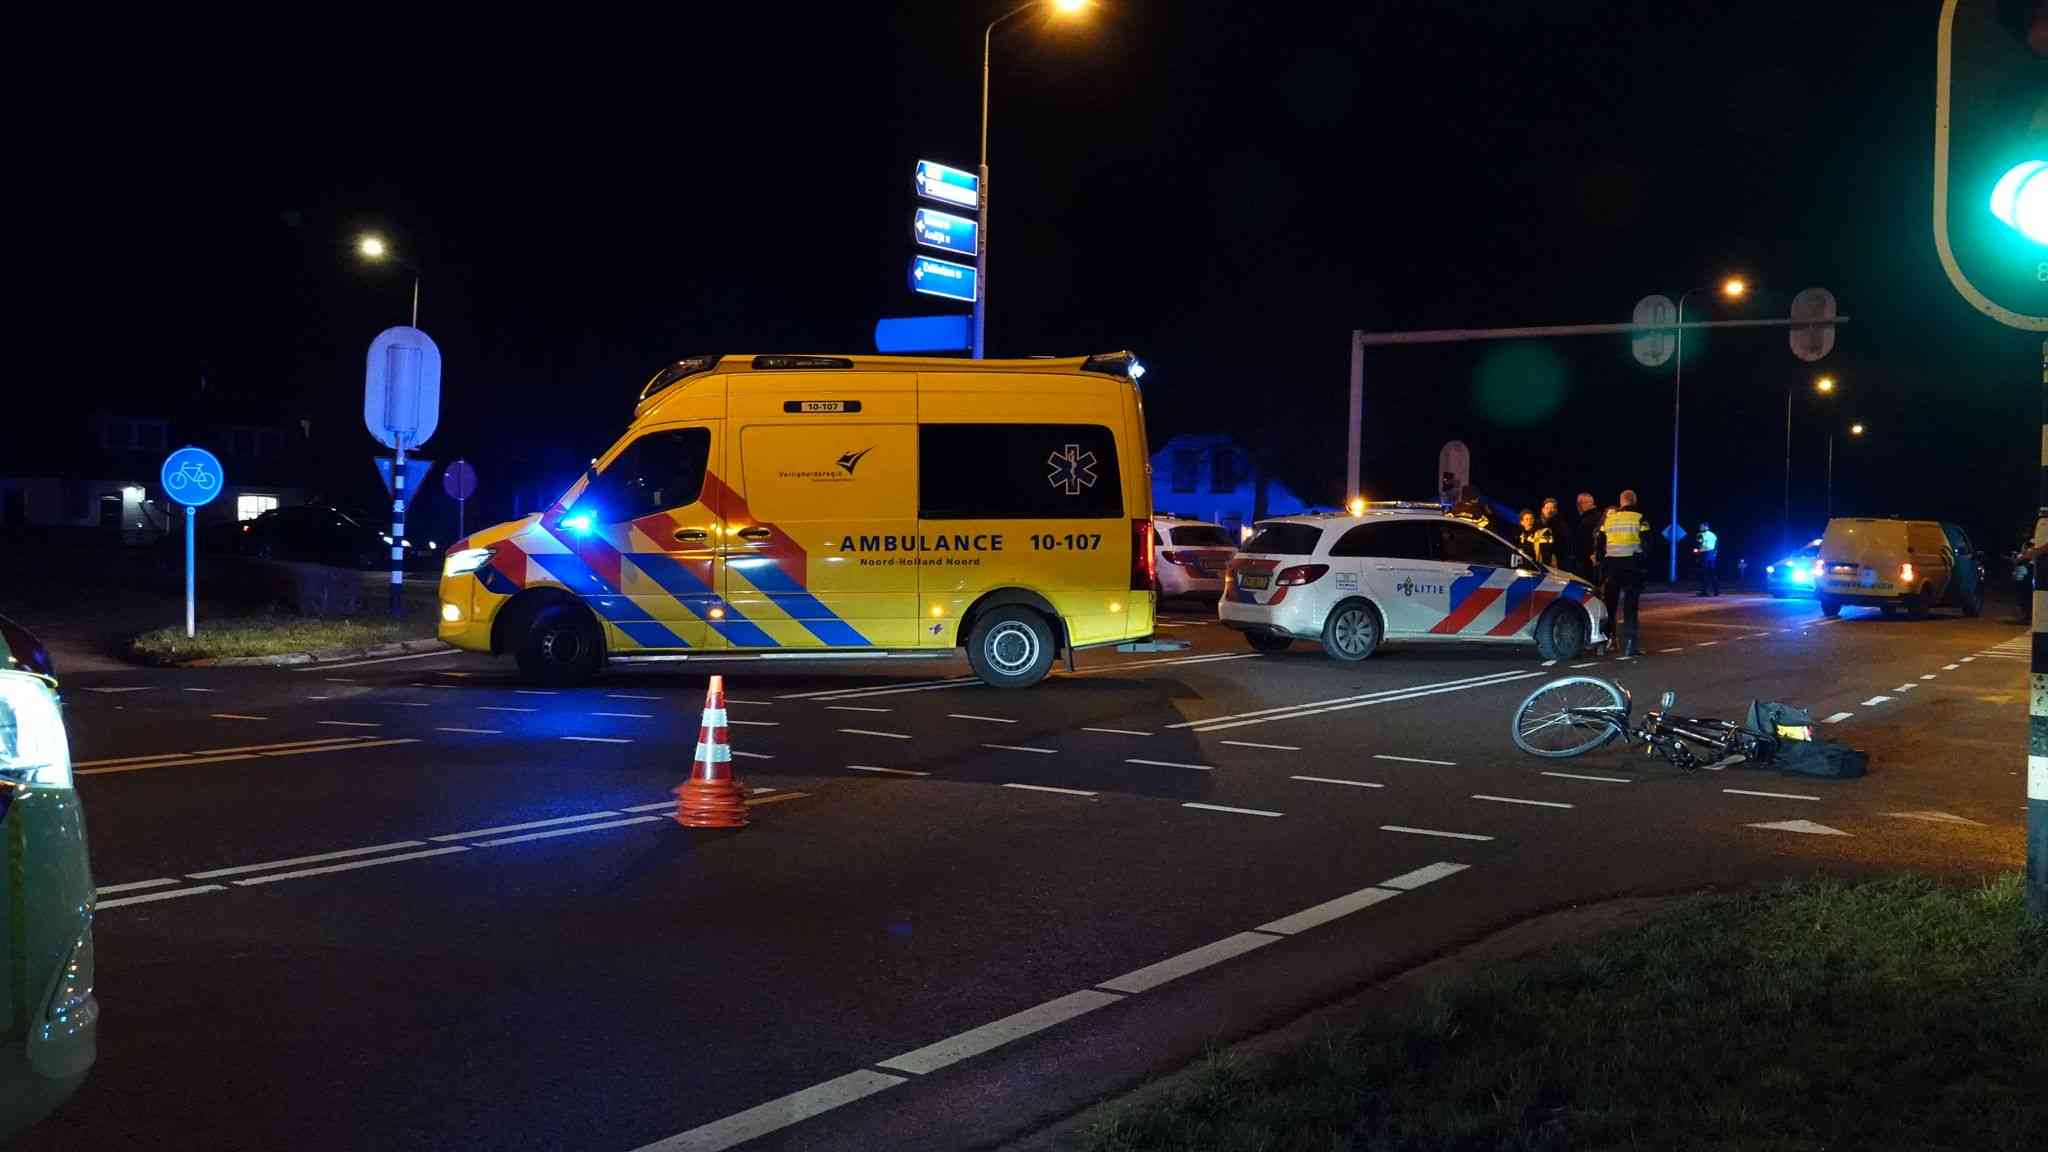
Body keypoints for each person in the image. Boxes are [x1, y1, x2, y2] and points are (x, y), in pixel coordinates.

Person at [1600, 490, 1647, 656]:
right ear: (1634, 501)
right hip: (1632, 566)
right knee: (1630, 608)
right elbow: (1647, 543)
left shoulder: (1609, 520)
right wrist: (1643, 562)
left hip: (1612, 566)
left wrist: (1602, 566)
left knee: (1609, 607)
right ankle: (1630, 646)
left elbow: (1600, 542)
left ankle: (1605, 643)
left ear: (1621, 502)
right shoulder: (1639, 517)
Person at [1573, 492, 1603, 583]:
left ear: (1586, 503)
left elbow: (1584, 543)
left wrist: (1579, 559)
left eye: (1579, 504)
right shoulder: (1601, 516)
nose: (1578, 506)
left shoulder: (1586, 521)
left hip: (1588, 562)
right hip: (1598, 559)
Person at [1537, 497, 1568, 570]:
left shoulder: (1561, 525)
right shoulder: (1536, 524)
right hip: (1539, 562)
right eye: (1547, 508)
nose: (1549, 510)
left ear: (1556, 510)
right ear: (1542, 510)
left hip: (1556, 563)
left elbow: (1564, 545)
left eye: (1552, 508)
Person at [1694, 521, 1720, 597]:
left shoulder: (1700, 534)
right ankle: (1716, 591)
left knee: (1704, 573)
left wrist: (1697, 554)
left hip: (1704, 554)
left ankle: (1704, 592)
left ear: (1706, 527)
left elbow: (1699, 544)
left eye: (1701, 526)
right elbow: (1716, 545)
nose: (1700, 527)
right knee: (1712, 573)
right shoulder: (1713, 535)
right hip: (1712, 555)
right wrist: (1714, 554)